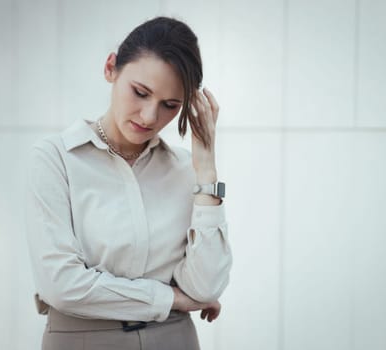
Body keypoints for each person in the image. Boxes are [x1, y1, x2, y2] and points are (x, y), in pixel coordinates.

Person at [25, 16, 232, 350]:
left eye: (170, 105)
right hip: (82, 340)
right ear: (111, 68)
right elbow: (61, 284)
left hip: (174, 339)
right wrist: (171, 299)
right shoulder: (55, 159)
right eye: (140, 93)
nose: (150, 117)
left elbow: (206, 288)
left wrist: (206, 169)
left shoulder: (185, 170)